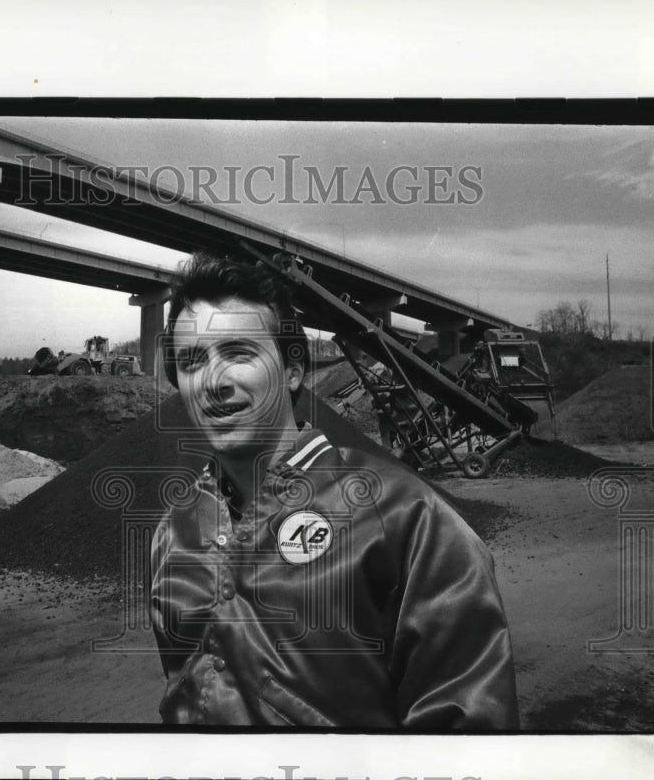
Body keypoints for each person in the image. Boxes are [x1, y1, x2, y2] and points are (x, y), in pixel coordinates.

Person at [148, 252, 518, 729]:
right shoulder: (172, 532)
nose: (213, 382)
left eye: (239, 353)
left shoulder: (403, 516)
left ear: (293, 369)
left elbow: (466, 727)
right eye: (192, 361)